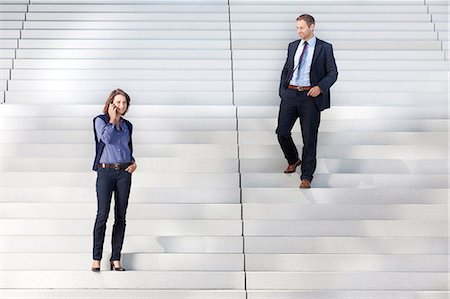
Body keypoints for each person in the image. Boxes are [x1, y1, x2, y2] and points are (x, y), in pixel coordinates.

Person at [276, 14, 338, 188]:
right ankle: (294, 159)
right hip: (290, 94)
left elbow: (333, 72)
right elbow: (286, 69)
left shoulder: (324, 48)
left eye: (301, 28)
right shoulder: (292, 46)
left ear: (312, 27)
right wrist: (282, 90)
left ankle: (307, 176)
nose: (299, 31)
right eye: (297, 28)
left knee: (309, 137)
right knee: (282, 132)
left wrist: (320, 87)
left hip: (310, 97)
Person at [91, 88, 137, 272]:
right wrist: (112, 119)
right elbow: (107, 140)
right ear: (111, 103)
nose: (121, 105)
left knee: (121, 216)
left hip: (123, 173)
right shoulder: (100, 121)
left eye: (124, 103)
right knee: (102, 215)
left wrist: (133, 162)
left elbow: (126, 148)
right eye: (118, 102)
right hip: (105, 173)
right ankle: (96, 258)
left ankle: (116, 258)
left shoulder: (128, 125)